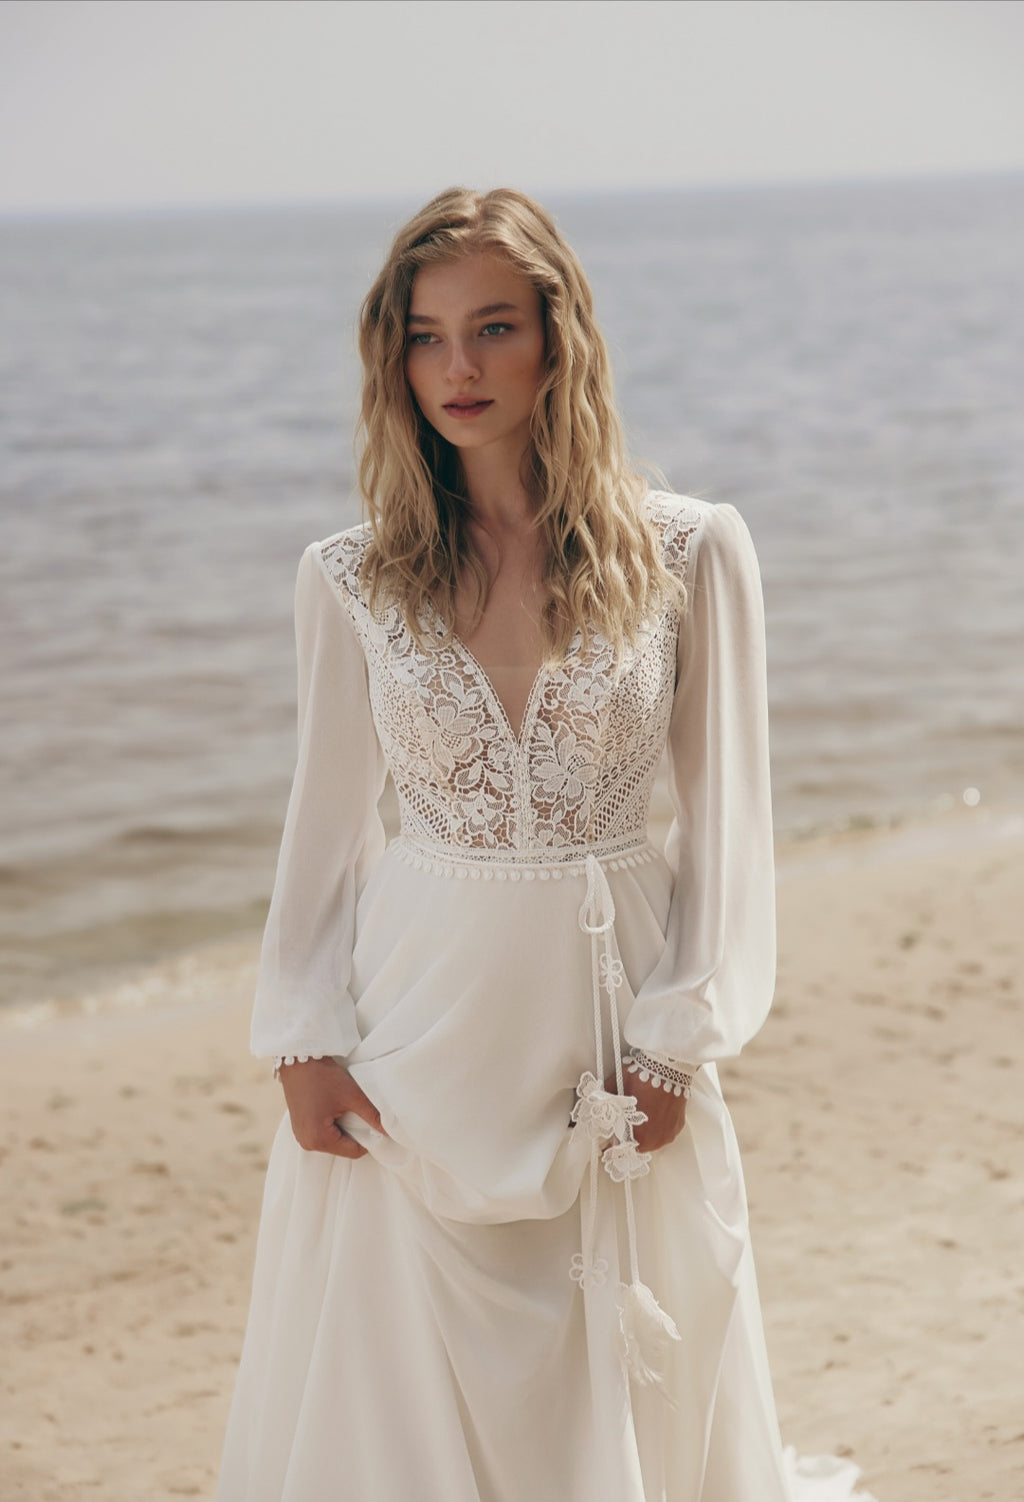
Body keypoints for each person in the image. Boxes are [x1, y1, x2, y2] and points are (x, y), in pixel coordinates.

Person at [217, 187, 867, 1501]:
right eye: (425, 334)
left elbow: (729, 829)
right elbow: (327, 828)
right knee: (398, 1376)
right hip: (416, 1036)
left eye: (493, 327)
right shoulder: (349, 578)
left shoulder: (691, 553)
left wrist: (682, 1032)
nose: (457, 366)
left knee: (628, 1343)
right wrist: (300, 1029)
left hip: (611, 1031)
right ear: (392, 357)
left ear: (559, 340)